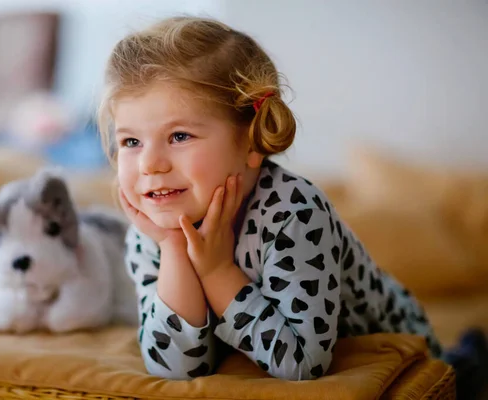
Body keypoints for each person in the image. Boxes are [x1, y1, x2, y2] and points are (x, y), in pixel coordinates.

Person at [97, 15, 488, 396]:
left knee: (464, 377)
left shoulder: (293, 212)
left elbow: (302, 363)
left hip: (401, 349)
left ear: (251, 141)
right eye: (131, 142)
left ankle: (469, 357)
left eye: (179, 135)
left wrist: (217, 271)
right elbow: (176, 368)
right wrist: (174, 251)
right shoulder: (152, 233)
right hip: (247, 343)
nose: (150, 164)